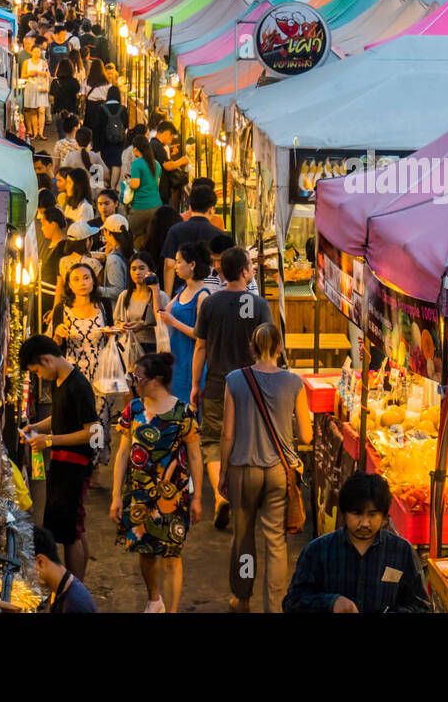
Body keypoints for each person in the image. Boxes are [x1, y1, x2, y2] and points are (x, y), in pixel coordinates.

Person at [219, 322, 312, 613]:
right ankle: (275, 606)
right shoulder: (294, 382)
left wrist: (223, 473)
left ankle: (243, 598)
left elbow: (228, 433)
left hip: (243, 469)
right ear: (280, 347)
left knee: (243, 537)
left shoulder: (235, 379)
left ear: (252, 347)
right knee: (276, 543)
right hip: (279, 472)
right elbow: (307, 436)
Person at [109, 351, 203, 613]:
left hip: (174, 497)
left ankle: (171, 610)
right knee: (145, 550)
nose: (134, 382)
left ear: (156, 379)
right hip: (139, 494)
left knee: (173, 557)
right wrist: (117, 495)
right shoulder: (134, 409)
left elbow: (195, 457)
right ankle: (154, 599)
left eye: (138, 377)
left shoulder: (183, 413)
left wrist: (197, 498)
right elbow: (123, 453)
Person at [192, 247, 273, 530]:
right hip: (253, 385)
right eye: (250, 264)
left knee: (213, 441)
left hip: (216, 384)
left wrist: (194, 385)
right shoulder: (260, 305)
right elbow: (270, 350)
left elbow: (200, 346)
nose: (252, 267)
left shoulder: (210, 305)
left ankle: (219, 494)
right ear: (243, 271)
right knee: (248, 440)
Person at [284, 473, 432, 613]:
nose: (365, 523)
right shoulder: (318, 551)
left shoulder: (402, 552)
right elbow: (292, 602)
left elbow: (421, 606)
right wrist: (331, 603)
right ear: (344, 513)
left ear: (384, 516)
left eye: (372, 514)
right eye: (357, 513)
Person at [20, 334, 100, 581]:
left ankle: (71, 588)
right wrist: (36, 427)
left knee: (69, 534)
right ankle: (75, 585)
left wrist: (51, 440)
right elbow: (60, 417)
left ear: (46, 360)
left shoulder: (78, 386)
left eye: (36, 371)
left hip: (74, 467)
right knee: (74, 528)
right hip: (63, 464)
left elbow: (93, 432)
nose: (38, 376)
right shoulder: (61, 382)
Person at [158, 242, 212, 408]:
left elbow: (200, 334)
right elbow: (162, 314)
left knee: (188, 414)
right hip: (176, 361)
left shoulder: (203, 295)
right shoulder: (182, 290)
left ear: (192, 264)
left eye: (179, 261)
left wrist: (174, 322)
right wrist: (154, 289)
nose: (175, 266)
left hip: (191, 363)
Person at [161, 185, 225, 294]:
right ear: (211, 209)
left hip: (181, 293)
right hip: (210, 293)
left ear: (190, 206)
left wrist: (167, 296)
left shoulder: (175, 230)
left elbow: (169, 265)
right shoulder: (219, 234)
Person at [114, 252, 168, 357]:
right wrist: (122, 326)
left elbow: (165, 326)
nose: (137, 272)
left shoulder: (161, 296)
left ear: (150, 271)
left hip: (152, 349)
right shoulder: (124, 296)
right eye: (133, 269)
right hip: (129, 348)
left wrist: (143, 325)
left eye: (142, 268)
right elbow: (117, 321)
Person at [33, 525, 97, 614]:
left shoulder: (75, 605)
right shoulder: (59, 589)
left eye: (25, 569)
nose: (25, 579)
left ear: (41, 562)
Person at [126, 132, 164, 238]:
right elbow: (156, 184)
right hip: (156, 206)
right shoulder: (156, 163)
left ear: (135, 149)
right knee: (151, 237)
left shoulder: (137, 163)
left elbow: (135, 185)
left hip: (141, 207)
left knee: (130, 236)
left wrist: (129, 181)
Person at [152, 121, 189, 210]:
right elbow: (167, 166)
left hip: (157, 188)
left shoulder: (153, 144)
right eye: (171, 138)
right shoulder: (157, 146)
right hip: (160, 189)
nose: (170, 141)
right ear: (166, 133)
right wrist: (182, 161)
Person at [99, 213, 133, 305]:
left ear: (109, 233)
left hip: (117, 310)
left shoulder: (114, 259)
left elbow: (117, 291)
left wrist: (95, 289)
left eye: (104, 232)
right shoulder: (133, 251)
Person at [99, 88, 130, 187]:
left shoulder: (102, 108)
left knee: (105, 162)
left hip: (104, 141)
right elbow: (126, 125)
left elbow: (97, 127)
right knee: (117, 163)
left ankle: (106, 184)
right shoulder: (123, 109)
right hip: (119, 141)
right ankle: (113, 187)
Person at [21, 51, 50, 140]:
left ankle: (41, 133)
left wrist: (41, 73)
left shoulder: (43, 62)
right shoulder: (27, 62)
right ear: (32, 52)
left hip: (41, 87)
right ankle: (35, 133)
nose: (37, 54)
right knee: (33, 110)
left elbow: (48, 75)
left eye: (38, 52)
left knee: (41, 110)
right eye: (35, 52)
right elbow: (22, 76)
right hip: (31, 87)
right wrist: (30, 74)